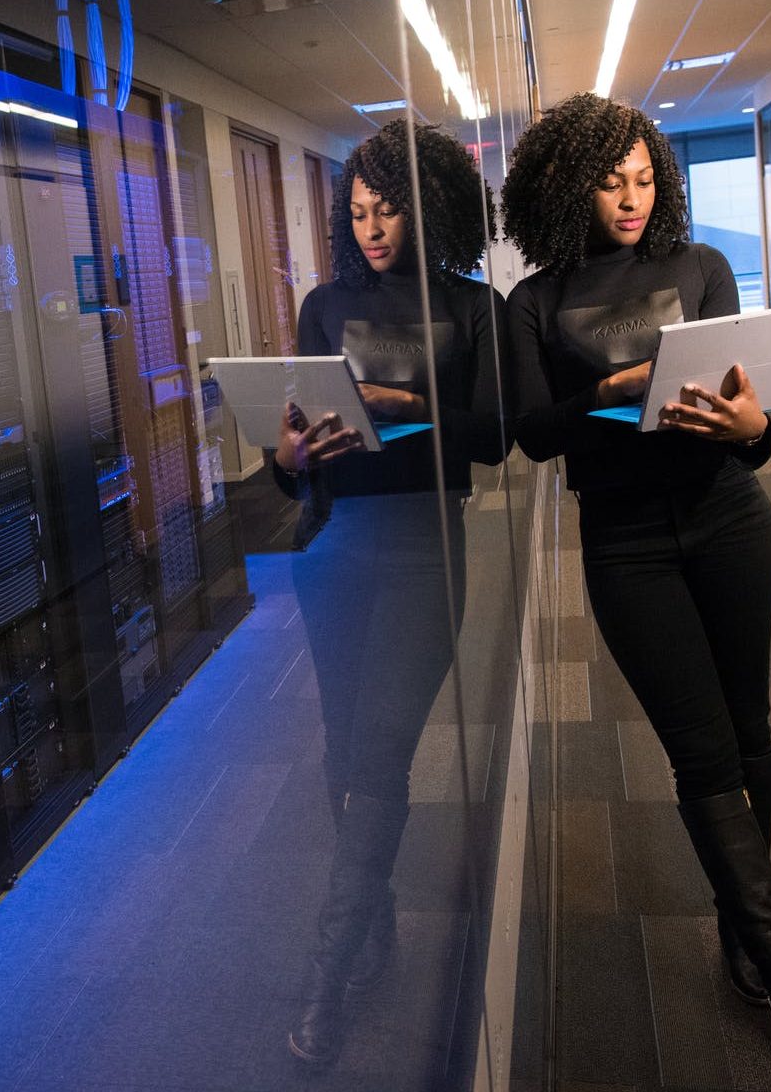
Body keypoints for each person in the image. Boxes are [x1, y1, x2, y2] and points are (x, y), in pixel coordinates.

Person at [499, 93, 771, 1087]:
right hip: (625, 540)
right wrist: (604, 394)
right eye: (610, 183)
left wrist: (755, 432)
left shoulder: (700, 269)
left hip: (729, 517)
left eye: (645, 179)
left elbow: (750, 414)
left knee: (748, 731)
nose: (632, 199)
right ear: (567, 187)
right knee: (698, 753)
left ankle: (743, 924)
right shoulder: (535, 301)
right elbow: (530, 431)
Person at [270, 119, 505, 1067]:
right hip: (336, 547)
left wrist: (407, 407)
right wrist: (288, 456)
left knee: (380, 755)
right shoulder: (323, 305)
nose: (371, 228)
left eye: (389, 208)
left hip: (424, 552)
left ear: (429, 203)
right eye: (358, 212)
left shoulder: (471, 306)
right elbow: (293, 461)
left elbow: (493, 439)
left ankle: (328, 974)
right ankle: (374, 924)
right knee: (341, 755)